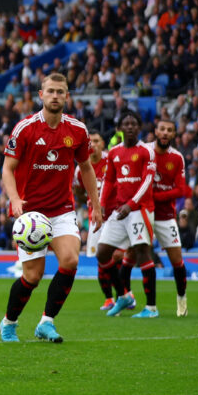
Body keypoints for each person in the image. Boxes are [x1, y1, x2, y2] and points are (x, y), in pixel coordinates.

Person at [0, 73, 102, 343]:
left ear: (67, 96)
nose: (55, 96)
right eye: (51, 91)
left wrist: (96, 205)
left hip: (61, 210)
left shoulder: (78, 130)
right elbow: (7, 170)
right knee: (32, 276)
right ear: (41, 95)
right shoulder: (25, 128)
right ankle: (9, 322)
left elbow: (87, 168)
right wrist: (15, 200)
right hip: (31, 215)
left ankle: (47, 322)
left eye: (60, 92)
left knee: (70, 260)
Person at [97, 109, 158, 318]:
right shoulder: (114, 152)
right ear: (120, 128)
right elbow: (109, 181)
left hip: (139, 210)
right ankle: (123, 296)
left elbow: (147, 180)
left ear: (139, 128)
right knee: (102, 252)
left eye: (134, 123)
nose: (130, 127)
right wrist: (102, 204)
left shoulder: (147, 151)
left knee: (142, 253)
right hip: (119, 210)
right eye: (126, 123)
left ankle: (151, 308)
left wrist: (131, 205)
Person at [72, 131, 124, 310]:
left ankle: (123, 294)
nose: (93, 144)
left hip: (115, 216)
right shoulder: (81, 168)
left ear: (103, 143)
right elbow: (78, 189)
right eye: (90, 141)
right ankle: (109, 299)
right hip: (96, 219)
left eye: (96, 140)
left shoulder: (111, 161)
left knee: (117, 257)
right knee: (100, 259)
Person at [149, 119, 191, 316]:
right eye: (162, 129)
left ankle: (181, 298)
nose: (165, 133)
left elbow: (180, 190)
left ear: (174, 134)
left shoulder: (177, 158)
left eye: (169, 130)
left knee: (177, 260)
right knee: (129, 257)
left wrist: (156, 196)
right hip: (144, 213)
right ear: (156, 131)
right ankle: (125, 298)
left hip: (165, 216)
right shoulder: (145, 152)